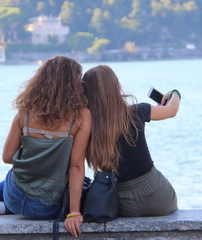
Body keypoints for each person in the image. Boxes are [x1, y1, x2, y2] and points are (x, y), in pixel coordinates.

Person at [0, 56, 91, 228]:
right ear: (75, 83)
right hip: (46, 209)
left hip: (15, 196)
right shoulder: (82, 116)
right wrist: (74, 213)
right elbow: (76, 167)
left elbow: (7, 157)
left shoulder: (25, 111)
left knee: (14, 176)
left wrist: (33, 159)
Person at [65, 65, 180, 236]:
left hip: (121, 200)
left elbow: (76, 166)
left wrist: (74, 212)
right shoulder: (136, 112)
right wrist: (175, 93)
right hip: (157, 193)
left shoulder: (86, 124)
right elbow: (171, 110)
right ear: (115, 87)